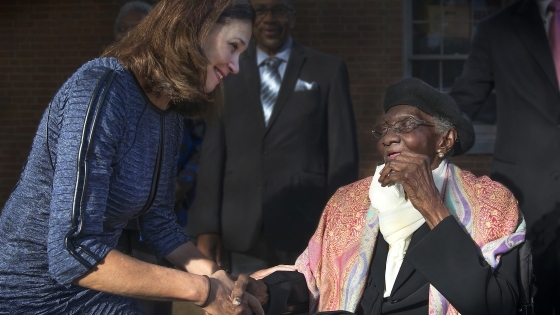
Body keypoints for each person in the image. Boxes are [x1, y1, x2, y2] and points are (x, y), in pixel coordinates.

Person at [0, 0, 264, 314]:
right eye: (233, 46)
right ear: (193, 30)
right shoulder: (102, 89)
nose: (235, 65)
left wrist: (221, 280)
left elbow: (160, 224)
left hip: (94, 295)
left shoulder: (170, 112)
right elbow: (72, 250)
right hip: (29, 298)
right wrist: (203, 291)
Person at [250, 78, 526, 315]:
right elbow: (314, 278)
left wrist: (431, 205)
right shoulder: (349, 201)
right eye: (384, 130)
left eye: (406, 125)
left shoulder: (491, 203)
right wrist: (265, 293)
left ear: (445, 140)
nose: (388, 138)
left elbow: (497, 305)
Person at [188, 0, 359, 275]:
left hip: (306, 224)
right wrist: (207, 227)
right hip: (240, 227)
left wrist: (341, 224)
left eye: (279, 10)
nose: (270, 18)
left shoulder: (327, 69)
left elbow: (343, 156)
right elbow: (212, 152)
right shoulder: (227, 69)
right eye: (261, 10)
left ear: (292, 16)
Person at [449, 0, 559, 312]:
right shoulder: (498, 28)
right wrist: (426, 138)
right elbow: (465, 101)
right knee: (530, 299)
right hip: (527, 196)